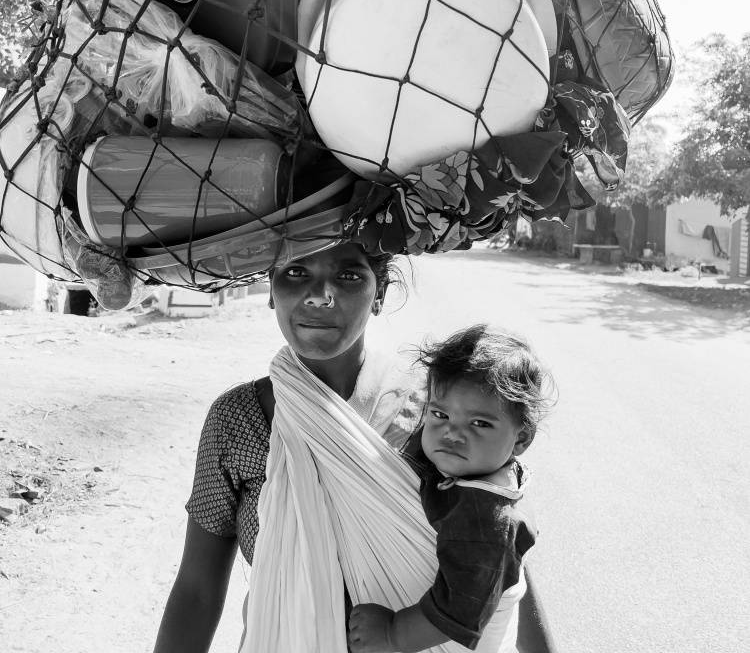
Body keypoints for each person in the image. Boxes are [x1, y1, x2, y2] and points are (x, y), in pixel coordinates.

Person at [152, 243, 557, 653]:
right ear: (270, 289)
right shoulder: (238, 421)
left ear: (378, 294)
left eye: (348, 276)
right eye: (294, 272)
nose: (319, 294)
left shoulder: (434, 413)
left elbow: (497, 548)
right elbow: (197, 589)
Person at [348, 325, 555, 653]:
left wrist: (392, 633)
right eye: (440, 414)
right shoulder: (473, 462)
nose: (452, 434)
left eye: (480, 423)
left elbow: (458, 610)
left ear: (521, 440)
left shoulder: (486, 521)